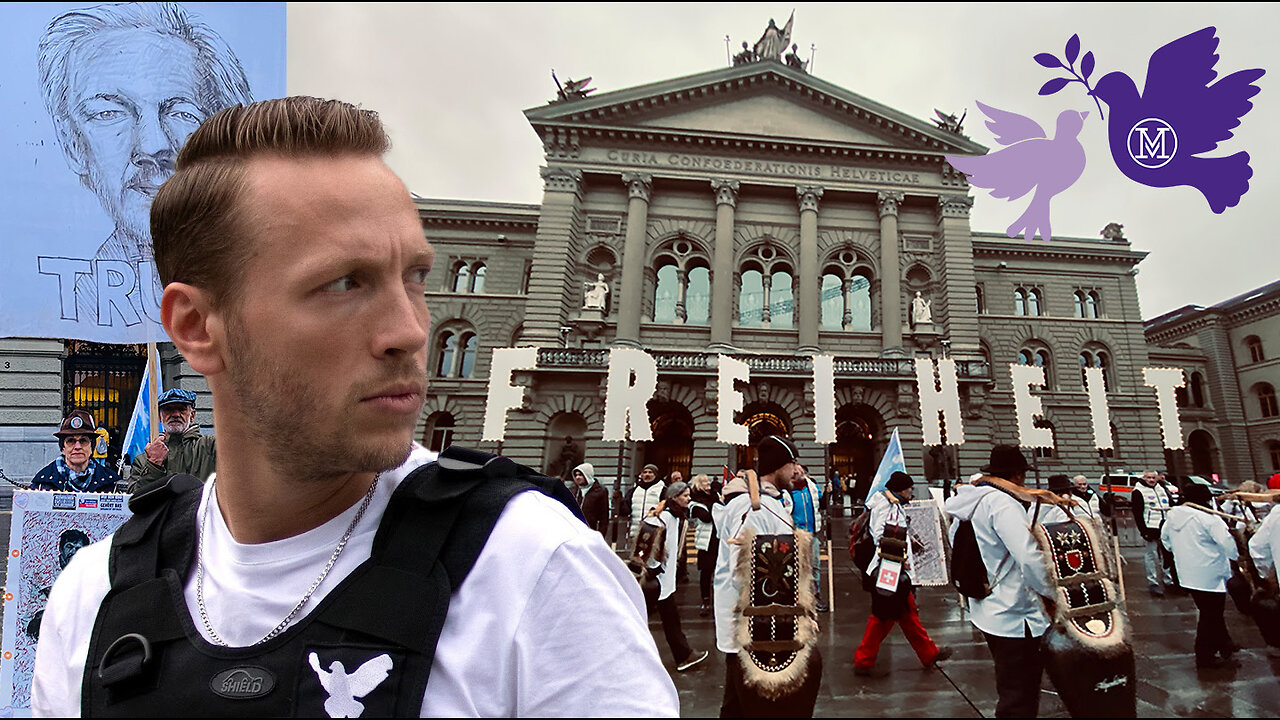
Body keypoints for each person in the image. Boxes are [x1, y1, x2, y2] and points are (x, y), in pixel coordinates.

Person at [31, 96, 677, 717]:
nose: (411, 330)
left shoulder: (534, 574)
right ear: (197, 326)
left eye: (416, 277)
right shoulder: (92, 600)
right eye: (344, 283)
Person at [37, 2, 253, 327]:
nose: (153, 145)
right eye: (109, 113)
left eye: (182, 113)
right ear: (72, 144)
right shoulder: (84, 294)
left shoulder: (256, 281)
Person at [714, 436, 822, 717]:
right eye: (793, 464)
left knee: (735, 705)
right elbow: (746, 570)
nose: (797, 471)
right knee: (755, 705)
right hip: (755, 627)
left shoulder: (766, 502)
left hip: (754, 624)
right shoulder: (753, 507)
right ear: (779, 467)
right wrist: (792, 615)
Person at [944, 446, 1055, 718]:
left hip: (988, 608)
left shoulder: (972, 501)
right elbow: (1028, 557)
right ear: (1016, 476)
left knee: (1010, 686)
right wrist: (1054, 593)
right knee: (1020, 696)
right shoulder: (1003, 503)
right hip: (1017, 614)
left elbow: (955, 542)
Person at [854, 471, 949, 676]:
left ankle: (927, 652)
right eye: (909, 488)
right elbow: (880, 534)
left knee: (902, 614)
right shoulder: (885, 505)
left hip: (893, 570)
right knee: (885, 616)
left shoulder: (891, 503)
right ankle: (864, 659)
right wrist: (900, 558)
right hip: (889, 569)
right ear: (900, 489)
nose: (911, 492)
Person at [1161, 483, 1239, 669]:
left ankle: (1225, 644)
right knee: (1210, 615)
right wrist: (1236, 557)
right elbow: (1227, 543)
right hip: (1210, 572)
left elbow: (1165, 540)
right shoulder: (1209, 519)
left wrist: (1181, 552)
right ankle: (1205, 656)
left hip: (1188, 573)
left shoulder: (1172, 516)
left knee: (1211, 612)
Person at [648, 481, 709, 673]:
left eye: (689, 495)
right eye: (685, 496)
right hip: (656, 577)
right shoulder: (664, 515)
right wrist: (656, 561)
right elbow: (648, 534)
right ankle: (683, 655)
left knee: (669, 619)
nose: (688, 499)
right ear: (674, 497)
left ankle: (684, 655)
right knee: (659, 618)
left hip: (665, 576)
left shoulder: (676, 516)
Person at [128, 387, 217, 492]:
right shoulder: (143, 460)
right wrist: (154, 465)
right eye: (168, 409)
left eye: (181, 409)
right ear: (160, 417)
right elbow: (134, 500)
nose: (175, 414)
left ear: (192, 415)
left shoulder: (210, 447)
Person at [30, 410, 121, 492]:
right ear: (63, 448)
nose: (77, 447)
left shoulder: (110, 484)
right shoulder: (42, 483)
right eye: (71, 441)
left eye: (83, 441)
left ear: (91, 448)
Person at [790, 464, 826, 611]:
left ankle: (815, 596)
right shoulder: (788, 490)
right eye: (797, 471)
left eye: (801, 470)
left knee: (815, 566)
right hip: (797, 534)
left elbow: (821, 504)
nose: (800, 473)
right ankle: (798, 597)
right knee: (798, 567)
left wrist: (828, 493)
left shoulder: (812, 487)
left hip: (812, 533)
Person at [1132, 469, 1174, 595]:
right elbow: (1137, 513)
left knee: (1167, 554)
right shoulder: (1138, 491)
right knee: (1151, 555)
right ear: (1144, 478)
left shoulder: (1162, 489)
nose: (1151, 480)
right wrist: (1143, 530)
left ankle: (1168, 580)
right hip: (1150, 526)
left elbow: (1171, 504)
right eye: (1148, 478)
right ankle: (1153, 582)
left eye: (1153, 478)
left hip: (1165, 525)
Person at [689, 473, 721, 616]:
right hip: (707, 540)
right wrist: (715, 503)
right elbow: (706, 517)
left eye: (707, 481)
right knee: (706, 572)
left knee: (720, 570)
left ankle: (718, 600)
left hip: (719, 537)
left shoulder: (714, 496)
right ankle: (705, 600)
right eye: (703, 481)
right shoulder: (695, 501)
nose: (707, 483)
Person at [570, 462, 608, 537]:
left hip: (590, 532)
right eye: (576, 475)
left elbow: (604, 518)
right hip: (572, 532)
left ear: (587, 475)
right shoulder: (572, 490)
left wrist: (600, 537)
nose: (577, 477)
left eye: (580, 475)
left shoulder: (600, 491)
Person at [628, 463, 665, 539]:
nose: (647, 474)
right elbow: (626, 508)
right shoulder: (634, 490)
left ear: (655, 475)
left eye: (650, 472)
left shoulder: (662, 490)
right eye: (645, 472)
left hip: (654, 531)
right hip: (635, 530)